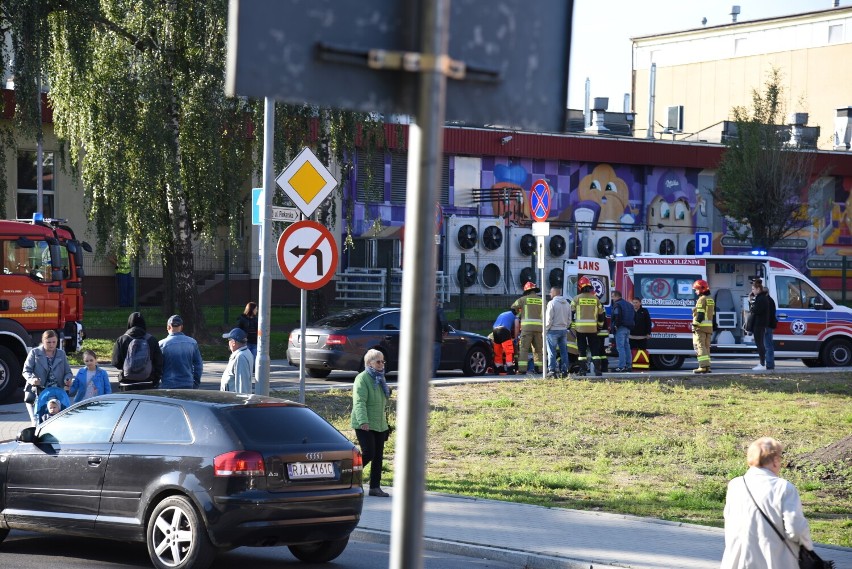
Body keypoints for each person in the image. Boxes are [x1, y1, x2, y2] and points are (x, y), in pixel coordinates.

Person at [720, 437, 815, 569]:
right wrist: (808, 548)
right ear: (775, 460)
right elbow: (795, 529)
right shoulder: (784, 488)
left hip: (738, 560)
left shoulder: (735, 485)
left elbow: (729, 521)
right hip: (774, 560)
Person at [350, 348, 392, 497]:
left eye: (383, 361)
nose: (381, 364)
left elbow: (382, 402)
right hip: (364, 423)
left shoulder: (380, 378)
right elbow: (359, 402)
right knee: (369, 453)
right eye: (378, 361)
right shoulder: (362, 378)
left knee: (378, 456)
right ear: (369, 363)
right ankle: (349, 476)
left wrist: (386, 424)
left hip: (379, 423)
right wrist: (363, 421)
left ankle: (375, 487)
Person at [23, 329, 74, 424]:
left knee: (57, 419)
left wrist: (67, 379)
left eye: (54, 342)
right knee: (36, 420)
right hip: (38, 390)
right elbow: (26, 370)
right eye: (48, 342)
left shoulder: (61, 354)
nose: (51, 345)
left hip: (56, 391)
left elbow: (68, 372)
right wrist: (32, 380)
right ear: (43, 341)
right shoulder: (34, 353)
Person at [112, 311, 164, 390]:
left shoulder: (122, 340)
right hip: (147, 381)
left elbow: (116, 362)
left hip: (127, 382)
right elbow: (159, 362)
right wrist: (155, 379)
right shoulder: (151, 339)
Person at [570, 276, 606, 376]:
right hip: (593, 329)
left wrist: (572, 326)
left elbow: (571, 314)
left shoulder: (576, 299)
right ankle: (598, 371)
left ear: (580, 287)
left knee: (582, 350)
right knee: (595, 349)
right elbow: (601, 315)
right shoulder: (595, 299)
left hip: (580, 329)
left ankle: (583, 371)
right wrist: (599, 327)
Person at [159, 315, 204, 389]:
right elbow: (198, 365)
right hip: (188, 383)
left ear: (168, 327)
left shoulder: (162, 344)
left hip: (169, 384)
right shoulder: (192, 342)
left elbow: (158, 366)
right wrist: (196, 383)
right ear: (182, 327)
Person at [512, 281, 543, 374]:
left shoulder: (522, 299)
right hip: (538, 329)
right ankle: (540, 369)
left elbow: (513, 308)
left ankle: (522, 369)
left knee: (524, 349)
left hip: (526, 329)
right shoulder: (541, 300)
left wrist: (520, 312)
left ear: (526, 291)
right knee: (538, 350)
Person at [747, 279, 778, 371]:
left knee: (766, 345)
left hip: (764, 325)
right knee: (767, 345)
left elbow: (755, 310)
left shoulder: (763, 299)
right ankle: (768, 364)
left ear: (759, 289)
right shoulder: (769, 300)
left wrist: (751, 301)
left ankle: (767, 364)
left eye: (753, 289)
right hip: (767, 325)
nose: (752, 291)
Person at [545, 287, 571, 378]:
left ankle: (552, 371)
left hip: (552, 330)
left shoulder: (551, 303)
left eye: (550, 292)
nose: (549, 294)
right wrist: (565, 326)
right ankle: (565, 371)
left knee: (552, 351)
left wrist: (545, 329)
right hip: (563, 330)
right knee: (564, 351)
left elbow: (548, 319)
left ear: (554, 293)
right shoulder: (567, 303)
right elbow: (569, 319)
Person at [691, 279, 715, 374]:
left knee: (700, 346)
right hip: (708, 327)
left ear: (701, 289)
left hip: (700, 327)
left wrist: (695, 324)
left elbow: (700, 314)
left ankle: (703, 366)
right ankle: (707, 366)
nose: (695, 291)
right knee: (706, 347)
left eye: (696, 289)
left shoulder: (701, 299)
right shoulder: (710, 299)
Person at [221, 328, 253, 394]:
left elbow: (242, 383)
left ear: (233, 343)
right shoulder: (245, 352)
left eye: (229, 340)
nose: (228, 343)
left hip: (233, 400)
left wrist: (241, 401)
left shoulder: (240, 357)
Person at [610, 290, 635, 372]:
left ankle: (621, 366)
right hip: (628, 328)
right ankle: (629, 366)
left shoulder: (617, 304)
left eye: (613, 296)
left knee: (620, 348)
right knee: (627, 347)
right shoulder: (629, 304)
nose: (612, 298)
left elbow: (617, 315)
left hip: (620, 328)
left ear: (617, 296)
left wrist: (616, 325)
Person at [492, 307, 520, 374]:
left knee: (498, 350)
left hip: (495, 330)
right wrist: (516, 338)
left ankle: (499, 368)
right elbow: (516, 326)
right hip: (504, 330)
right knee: (508, 351)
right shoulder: (515, 316)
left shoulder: (503, 314)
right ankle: (509, 368)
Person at [629, 297, 652, 370]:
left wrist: (648, 333)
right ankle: (633, 366)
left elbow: (648, 322)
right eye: (633, 302)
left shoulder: (644, 311)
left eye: (636, 302)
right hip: (632, 336)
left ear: (640, 303)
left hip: (642, 336)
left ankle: (643, 366)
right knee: (633, 352)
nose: (635, 304)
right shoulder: (630, 311)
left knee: (642, 352)